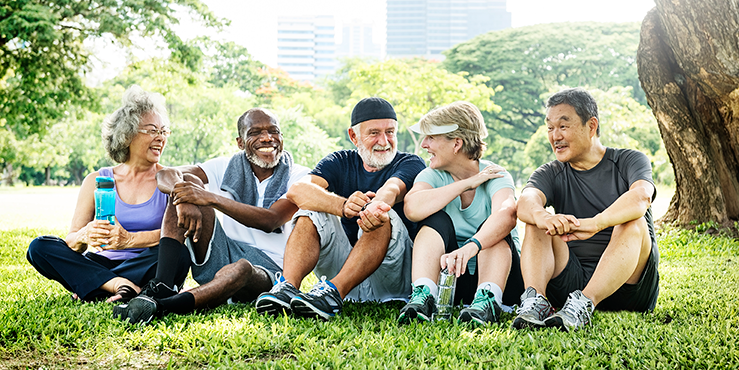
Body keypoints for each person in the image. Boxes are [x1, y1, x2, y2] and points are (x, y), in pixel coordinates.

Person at [113, 108, 310, 324]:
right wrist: (182, 195)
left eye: (274, 131)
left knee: (241, 267)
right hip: (223, 251)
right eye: (255, 132)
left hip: (269, 270)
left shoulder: (298, 176)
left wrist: (209, 198)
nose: (267, 138)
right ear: (240, 142)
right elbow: (165, 173)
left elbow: (271, 220)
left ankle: (162, 306)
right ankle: (162, 286)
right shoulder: (226, 167)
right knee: (186, 184)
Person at [255, 97, 426, 320]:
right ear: (353, 136)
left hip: (392, 276)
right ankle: (287, 288)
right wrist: (343, 206)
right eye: (374, 132)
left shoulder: (410, 163)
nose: (384, 141)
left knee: (382, 214)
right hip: (347, 268)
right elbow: (297, 190)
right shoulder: (339, 161)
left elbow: (392, 189)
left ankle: (333, 295)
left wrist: (371, 207)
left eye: (390, 132)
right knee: (310, 210)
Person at [512, 87, 659, 332]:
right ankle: (534, 301)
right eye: (550, 128)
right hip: (570, 283)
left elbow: (641, 197)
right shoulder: (551, 172)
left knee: (634, 221)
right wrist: (543, 216)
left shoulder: (628, 161)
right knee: (536, 221)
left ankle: (586, 302)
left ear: (591, 126)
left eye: (563, 125)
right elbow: (526, 202)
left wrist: (596, 223)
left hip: (629, 286)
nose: (555, 136)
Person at [26, 85, 189, 302]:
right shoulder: (96, 180)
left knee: (179, 255)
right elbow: (73, 241)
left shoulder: (169, 179)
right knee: (39, 247)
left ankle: (95, 287)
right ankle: (119, 286)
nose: (161, 138)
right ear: (127, 135)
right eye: (152, 130)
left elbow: (178, 236)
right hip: (99, 262)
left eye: (164, 131)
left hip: (145, 263)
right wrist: (85, 234)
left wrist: (130, 240)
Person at [398, 101, 524, 325]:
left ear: (456, 143)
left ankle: (487, 300)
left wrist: (471, 247)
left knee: (493, 226)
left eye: (432, 138)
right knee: (435, 218)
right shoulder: (432, 175)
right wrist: (466, 184)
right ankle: (423, 296)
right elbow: (412, 208)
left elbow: (507, 216)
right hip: (453, 278)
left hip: (503, 278)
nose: (425, 144)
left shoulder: (496, 174)